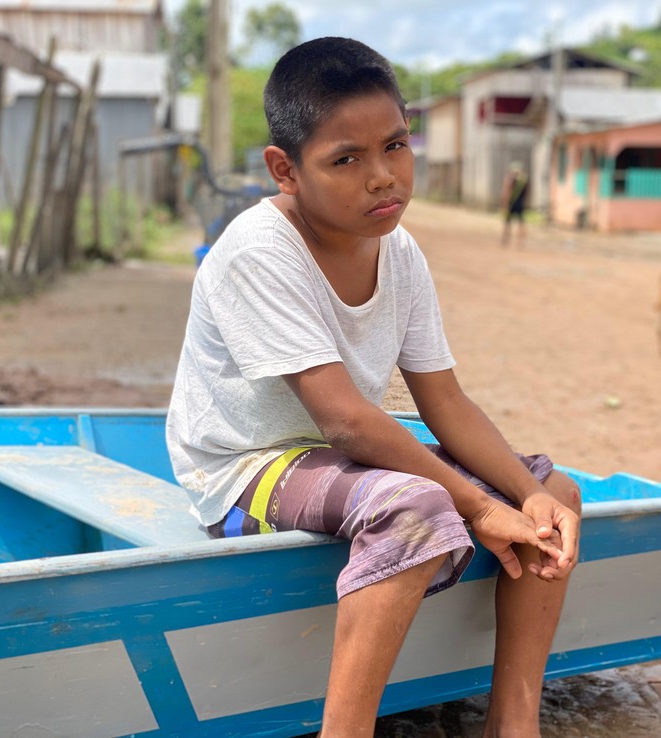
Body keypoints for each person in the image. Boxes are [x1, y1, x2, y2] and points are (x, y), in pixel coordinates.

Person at [166, 37, 581, 738]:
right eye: (346, 160)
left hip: (342, 462)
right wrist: (478, 508)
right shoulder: (258, 252)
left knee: (555, 493)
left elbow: (443, 401)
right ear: (285, 169)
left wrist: (527, 494)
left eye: (395, 146)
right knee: (417, 506)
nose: (383, 177)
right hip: (245, 469)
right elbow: (347, 423)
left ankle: (513, 723)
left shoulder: (400, 251)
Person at [500, 161, 529, 248]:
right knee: (521, 222)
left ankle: (505, 239)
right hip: (521, 204)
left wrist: (504, 203)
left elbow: (506, 192)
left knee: (508, 222)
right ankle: (521, 242)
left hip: (511, 203)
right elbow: (527, 194)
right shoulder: (524, 181)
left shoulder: (511, 180)